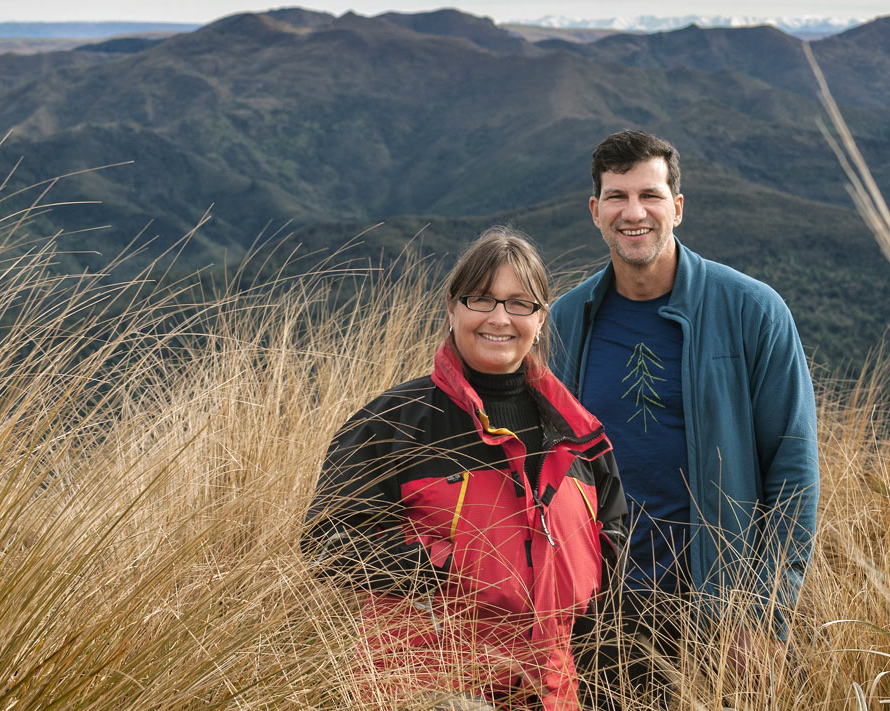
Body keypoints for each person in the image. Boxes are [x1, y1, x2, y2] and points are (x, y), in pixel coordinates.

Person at [303, 227, 627, 711]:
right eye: (481, 299)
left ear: (540, 319)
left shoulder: (581, 437)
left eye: (520, 304)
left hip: (553, 691)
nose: (500, 318)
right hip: (427, 689)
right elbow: (327, 541)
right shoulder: (393, 422)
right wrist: (447, 564)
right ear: (452, 309)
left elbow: (611, 543)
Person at [550, 130, 820, 702]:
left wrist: (763, 612)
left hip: (716, 612)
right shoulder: (567, 320)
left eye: (649, 195)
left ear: (677, 205)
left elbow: (793, 469)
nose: (634, 212)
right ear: (595, 211)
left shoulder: (752, 310)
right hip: (597, 610)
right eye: (617, 197)